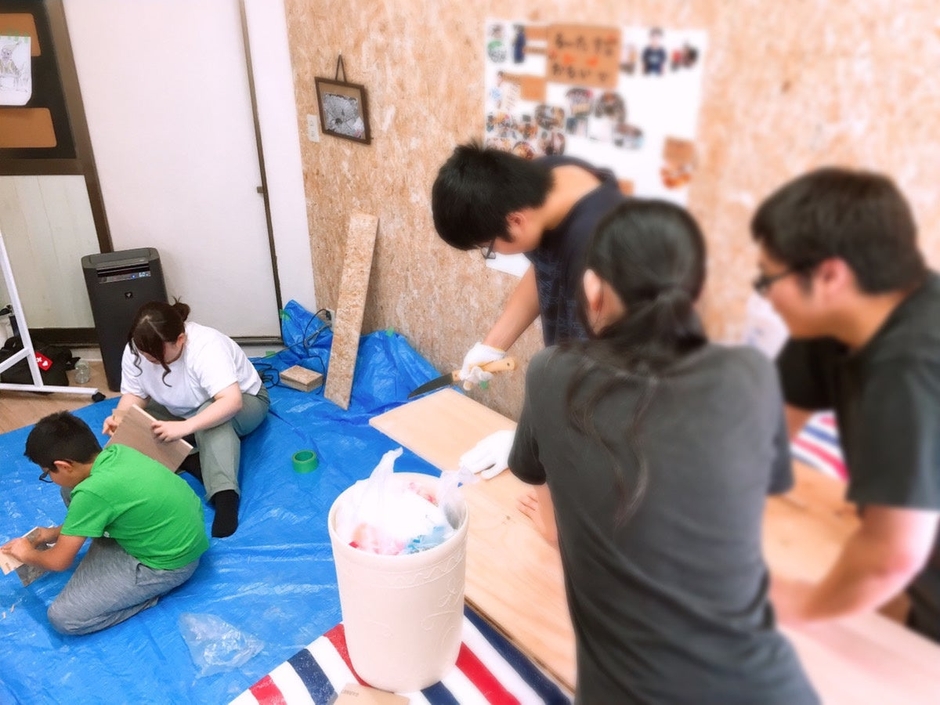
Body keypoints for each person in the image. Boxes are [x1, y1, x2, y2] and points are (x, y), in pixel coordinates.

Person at [508, 199, 817, 703]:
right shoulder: (751, 374)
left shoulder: (550, 374)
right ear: (697, 293)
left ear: (594, 289)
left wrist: (555, 522)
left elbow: (551, 523)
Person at [750, 168, 940, 643]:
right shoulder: (835, 322)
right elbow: (763, 439)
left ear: (830, 275)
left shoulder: (911, 365)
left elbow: (893, 554)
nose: (766, 294)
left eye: (768, 278)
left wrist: (805, 605)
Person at [1, 412, 208, 635]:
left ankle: (146, 595)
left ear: (64, 465)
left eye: (47, 473)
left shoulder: (92, 493)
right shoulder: (118, 452)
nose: (49, 478)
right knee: (69, 491)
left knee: (63, 618)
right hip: (180, 533)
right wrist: (52, 534)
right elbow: (103, 502)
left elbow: (58, 562)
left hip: (168, 565)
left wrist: (26, 554)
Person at [101, 300, 270, 538]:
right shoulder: (137, 349)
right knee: (136, 421)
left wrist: (186, 427)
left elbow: (231, 401)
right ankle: (192, 459)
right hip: (180, 409)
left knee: (211, 419)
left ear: (180, 339)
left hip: (244, 401)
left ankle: (225, 497)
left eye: (156, 357)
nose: (149, 360)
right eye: (145, 355)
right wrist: (120, 418)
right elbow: (135, 394)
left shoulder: (206, 346)